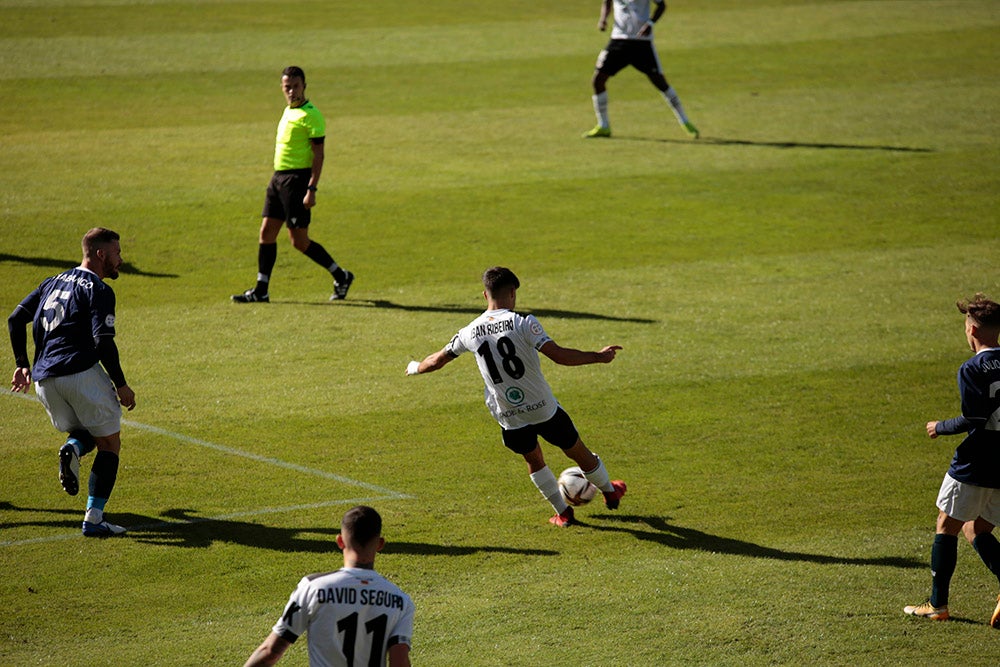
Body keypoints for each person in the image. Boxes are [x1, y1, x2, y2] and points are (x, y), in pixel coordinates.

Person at [405, 267, 627, 527]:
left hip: (508, 414)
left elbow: (437, 361)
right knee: (577, 451)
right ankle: (610, 493)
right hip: (543, 408)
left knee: (534, 460)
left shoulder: (469, 331)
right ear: (512, 292)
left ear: (484, 295)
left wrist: (415, 367)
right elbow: (559, 355)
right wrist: (598, 357)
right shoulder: (523, 321)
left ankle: (563, 514)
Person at [7, 227, 136, 538]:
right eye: (117, 253)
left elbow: (14, 319)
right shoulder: (99, 290)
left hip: (44, 381)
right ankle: (94, 518)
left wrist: (21, 365)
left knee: (86, 431)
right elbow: (103, 341)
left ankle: (73, 449)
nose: (121, 260)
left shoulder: (52, 281)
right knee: (109, 442)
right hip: (79, 374)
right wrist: (120, 384)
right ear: (101, 254)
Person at [904, 293, 1000, 627]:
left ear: (972, 330)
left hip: (977, 462)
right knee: (978, 528)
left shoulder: (972, 368)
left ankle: (937, 604)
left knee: (947, 524)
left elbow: (973, 419)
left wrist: (939, 427)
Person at [233, 66, 354, 304]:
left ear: (304, 86)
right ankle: (261, 290)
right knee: (266, 233)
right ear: (282, 88)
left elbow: (318, 155)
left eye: (296, 86)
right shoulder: (288, 111)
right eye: (287, 87)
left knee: (299, 241)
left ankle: (341, 276)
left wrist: (312, 189)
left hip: (297, 182)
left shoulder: (312, 115)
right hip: (278, 179)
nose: (291, 91)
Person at [243, 506, 414, 667]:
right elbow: (399, 662)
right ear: (380, 544)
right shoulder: (401, 601)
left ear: (340, 541)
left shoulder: (314, 588)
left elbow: (270, 652)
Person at [584, 0, 699, 139]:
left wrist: (650, 23)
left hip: (641, 42)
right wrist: (603, 19)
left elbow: (661, 5)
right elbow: (607, 2)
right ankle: (603, 125)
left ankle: (685, 121)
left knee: (660, 82)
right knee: (598, 80)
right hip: (618, 40)